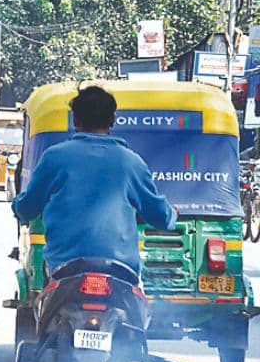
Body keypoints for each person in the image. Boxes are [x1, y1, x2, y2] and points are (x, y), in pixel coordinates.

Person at [12, 84, 176, 277]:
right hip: (122, 272)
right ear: (113, 120)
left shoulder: (54, 158)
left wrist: (18, 205)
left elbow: (27, 209)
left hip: (63, 271)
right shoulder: (132, 163)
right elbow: (160, 217)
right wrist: (172, 213)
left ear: (75, 120)